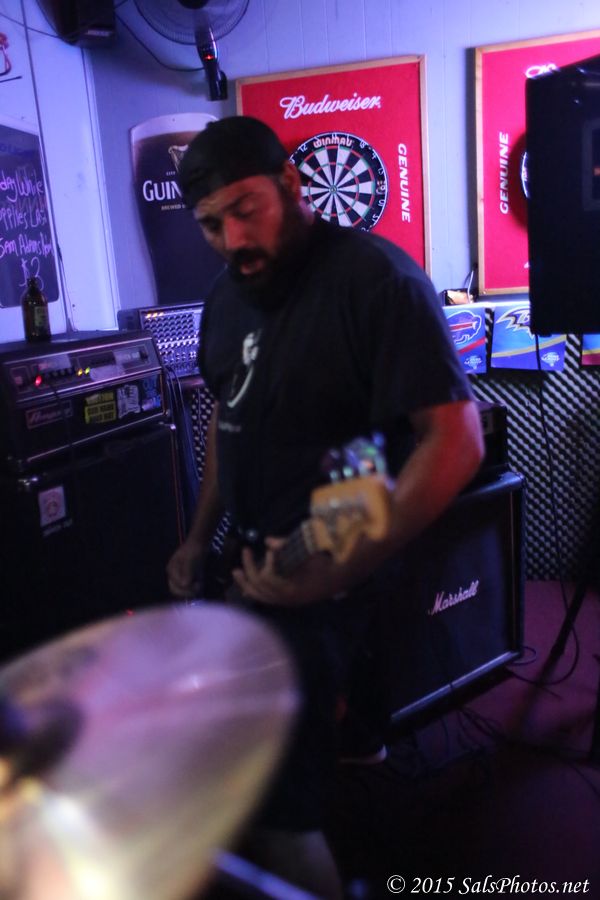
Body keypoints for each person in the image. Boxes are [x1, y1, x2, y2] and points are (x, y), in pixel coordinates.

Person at [167, 115, 484, 899]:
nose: (232, 238)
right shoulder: (226, 296)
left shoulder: (377, 280)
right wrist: (199, 535)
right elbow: (229, 415)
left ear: (292, 186)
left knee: (277, 809)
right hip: (253, 547)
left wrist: (335, 571)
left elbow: (454, 442)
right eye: (211, 224)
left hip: (343, 533)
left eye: (246, 209)